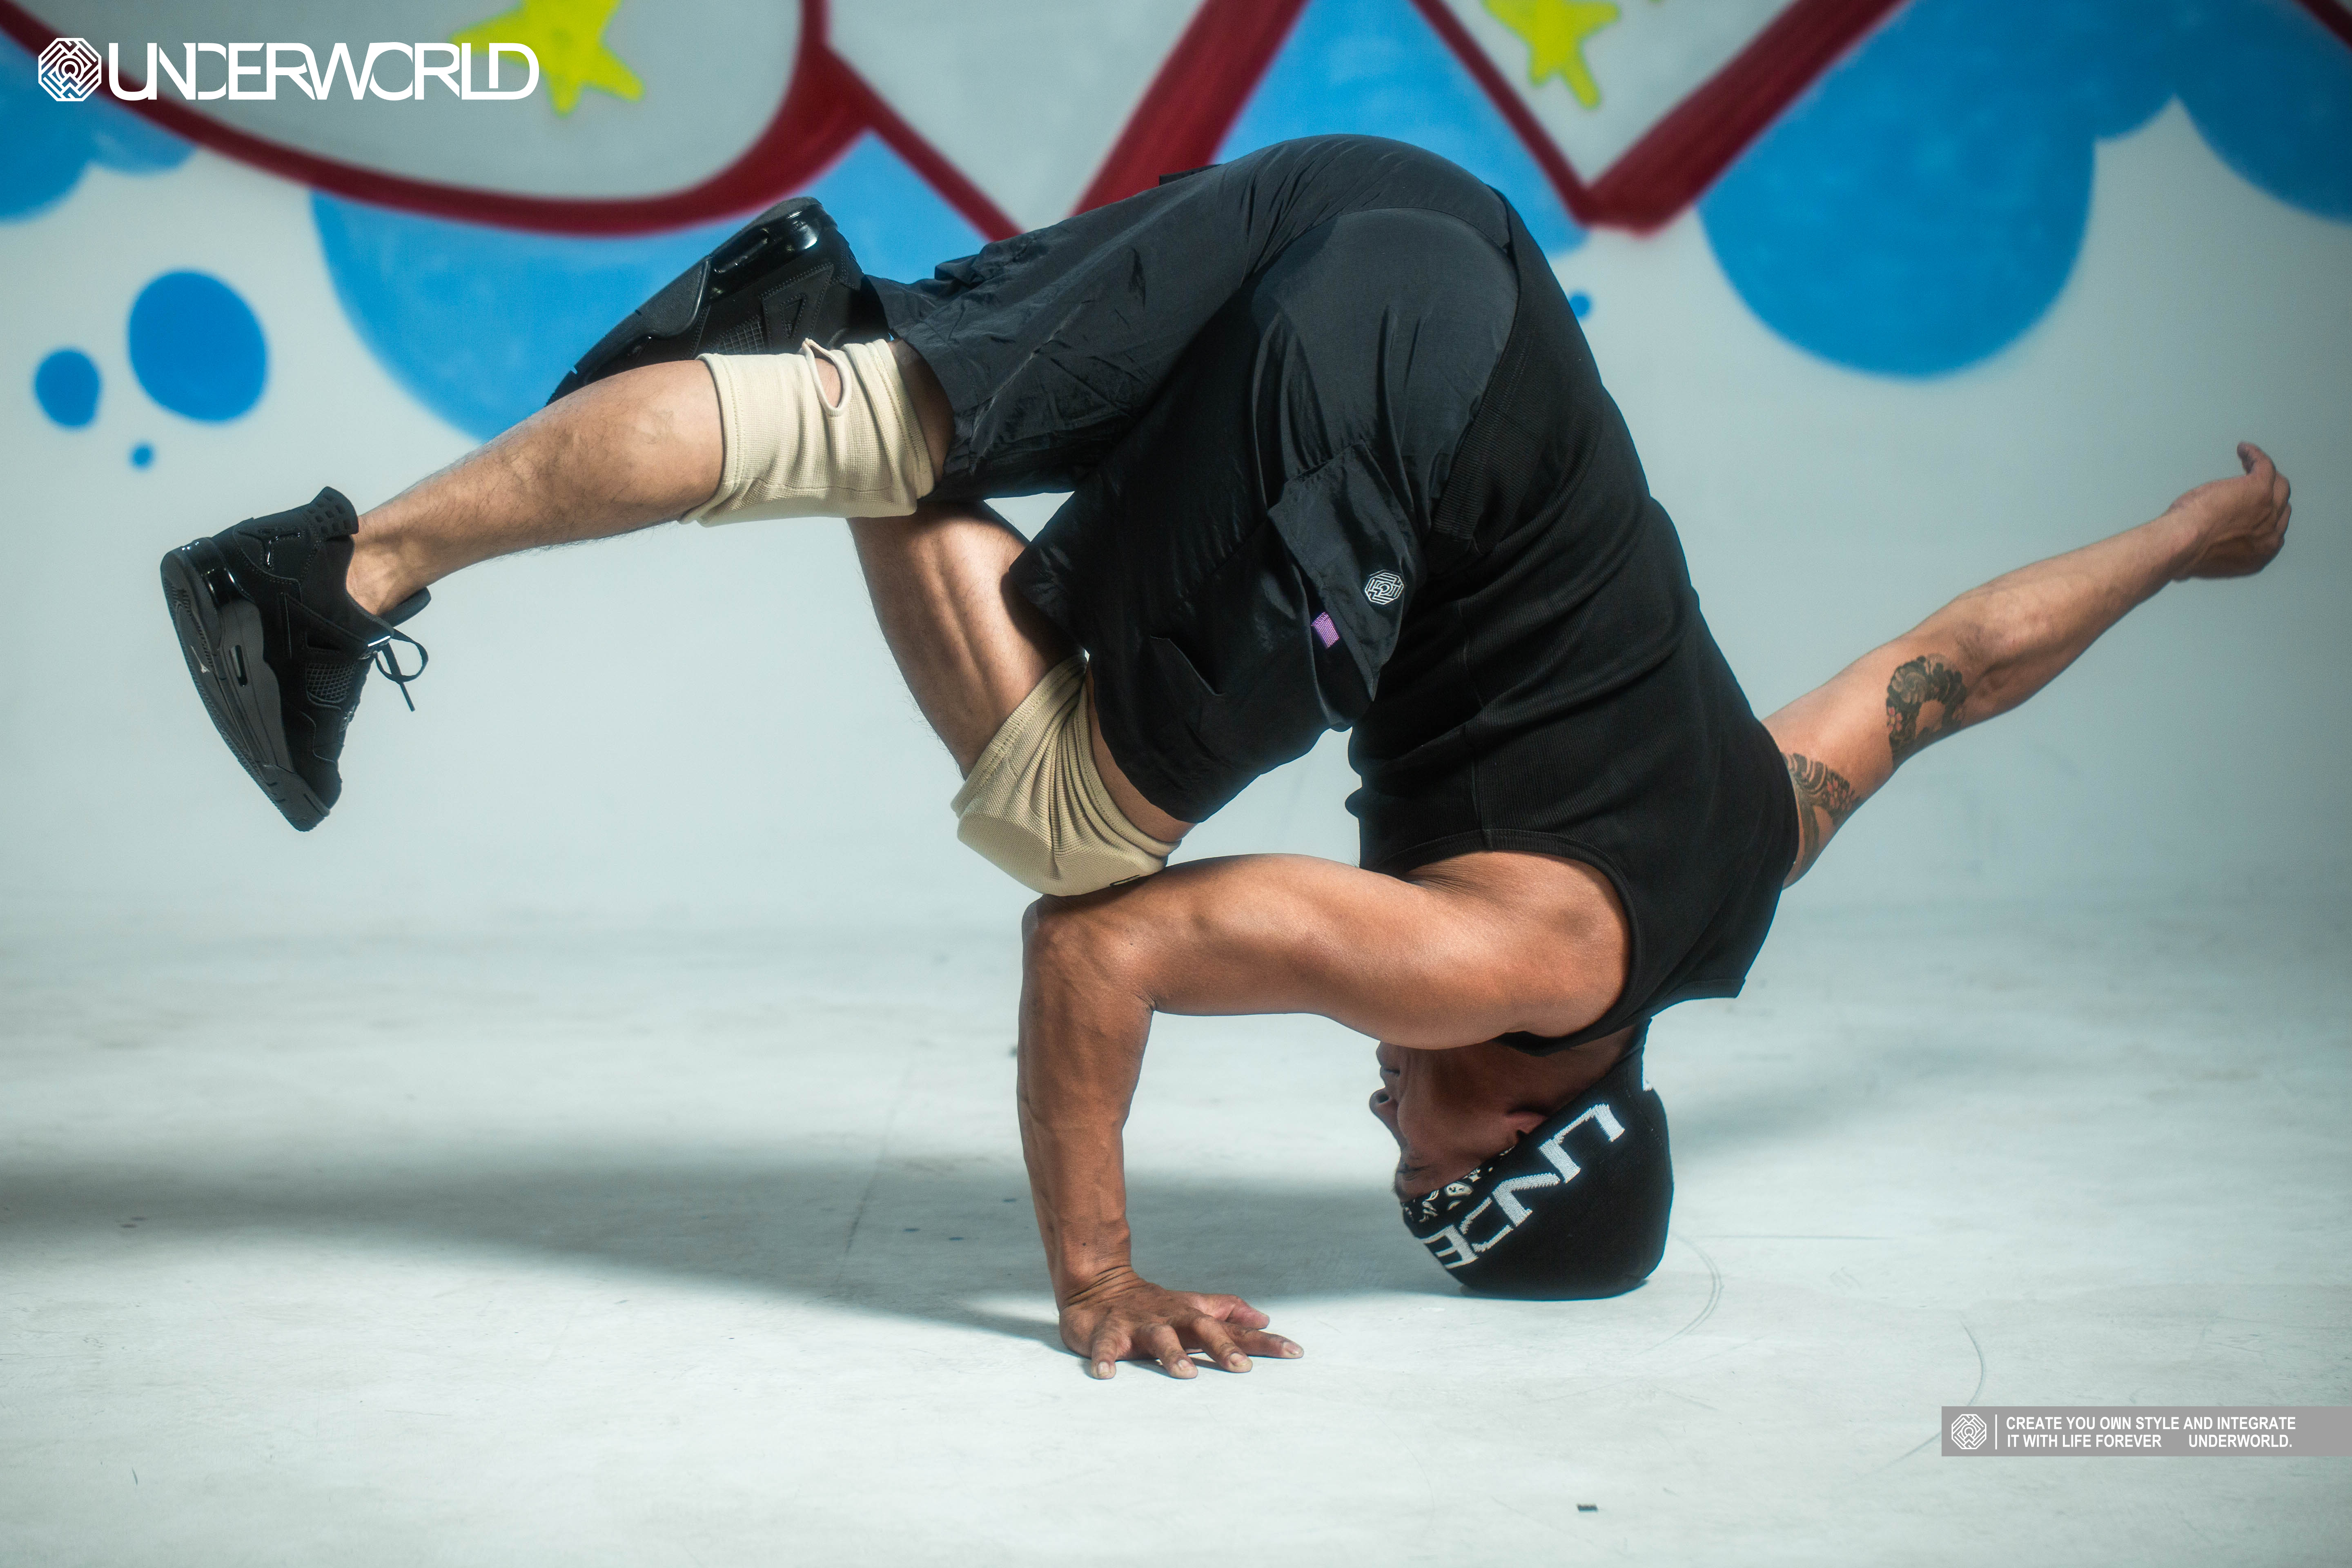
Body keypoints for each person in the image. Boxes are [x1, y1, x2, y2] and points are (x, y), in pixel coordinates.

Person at [159, 138, 2292, 1379]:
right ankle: (823, 369)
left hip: (1402, 212)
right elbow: (1101, 960)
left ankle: (338, 569)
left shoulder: (1758, 845)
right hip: (1410, 398)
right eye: (1422, 1158)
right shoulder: (1518, 966)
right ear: (1535, 1121)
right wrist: (1097, 1279)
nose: (1383, 1111)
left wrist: (2191, 539)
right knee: (1072, 832)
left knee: (873, 410)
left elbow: (1953, 670)